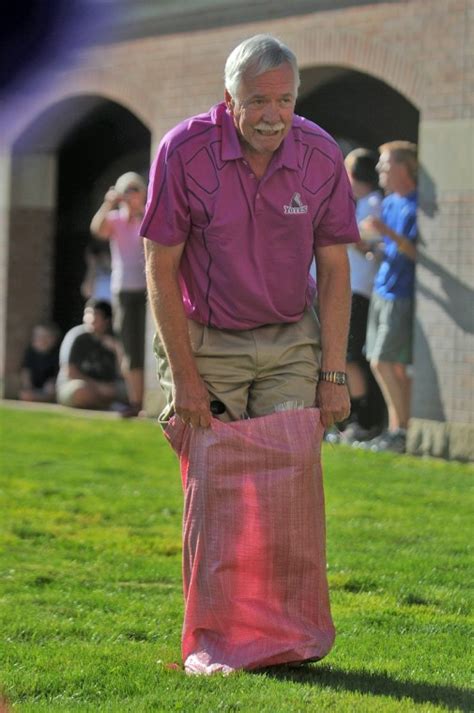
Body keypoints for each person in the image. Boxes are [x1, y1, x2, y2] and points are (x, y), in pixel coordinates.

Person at [141, 34, 360, 671]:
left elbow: (336, 270)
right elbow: (160, 265)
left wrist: (333, 373)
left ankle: (287, 639)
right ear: (230, 99)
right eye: (258, 100)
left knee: (290, 487)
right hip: (206, 334)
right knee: (219, 486)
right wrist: (184, 378)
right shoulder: (184, 151)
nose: (272, 114)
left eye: (285, 99)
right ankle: (216, 641)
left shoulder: (319, 154)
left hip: (291, 333)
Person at [361, 141, 418, 453]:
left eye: (385, 164)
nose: (380, 170)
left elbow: (415, 252)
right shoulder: (390, 202)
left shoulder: (414, 204)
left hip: (401, 293)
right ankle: (396, 430)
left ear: (403, 168)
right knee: (387, 364)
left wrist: (386, 232)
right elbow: (389, 248)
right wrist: (369, 246)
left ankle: (402, 431)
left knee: (383, 361)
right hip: (381, 289)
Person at [90, 172, 147, 417]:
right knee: (129, 346)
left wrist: (141, 211)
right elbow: (97, 230)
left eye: (135, 190)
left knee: (151, 345)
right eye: (127, 190)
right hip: (123, 289)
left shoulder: (148, 217)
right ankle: (136, 402)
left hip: (148, 290)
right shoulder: (115, 220)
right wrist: (109, 202)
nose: (131, 195)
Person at [338, 148, 385, 443]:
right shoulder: (360, 204)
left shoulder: (374, 204)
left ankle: (363, 421)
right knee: (344, 356)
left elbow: (363, 240)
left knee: (351, 355)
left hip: (360, 289)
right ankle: (351, 418)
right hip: (349, 287)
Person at [56, 299, 128, 411]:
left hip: (109, 388)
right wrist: (98, 387)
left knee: (132, 391)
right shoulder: (77, 337)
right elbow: (70, 372)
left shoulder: (115, 338)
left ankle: (106, 404)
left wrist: (117, 350)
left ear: (107, 320)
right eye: (87, 314)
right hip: (78, 385)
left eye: (95, 315)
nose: (89, 319)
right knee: (81, 392)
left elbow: (124, 374)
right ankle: (108, 406)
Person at [19, 322, 60, 403]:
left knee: (51, 389)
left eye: (46, 337)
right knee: (25, 394)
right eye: (39, 337)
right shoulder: (30, 352)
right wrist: (27, 387)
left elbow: (60, 372)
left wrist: (54, 381)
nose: (42, 340)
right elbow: (26, 372)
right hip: (34, 387)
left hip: (50, 387)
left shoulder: (58, 353)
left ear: (54, 339)